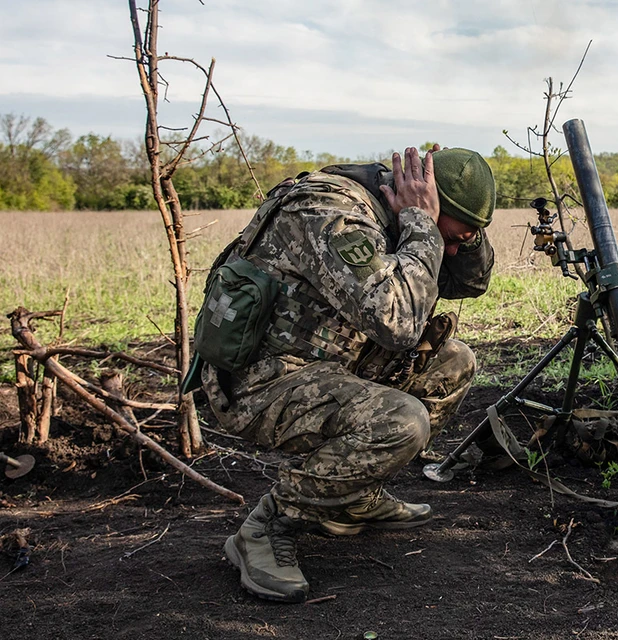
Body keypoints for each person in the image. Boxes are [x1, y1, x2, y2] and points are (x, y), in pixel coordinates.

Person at [202, 145, 496, 603]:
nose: (451, 249)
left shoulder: (401, 215)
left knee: (452, 362)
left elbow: (469, 284)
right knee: (401, 421)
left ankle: (352, 493)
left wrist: (460, 237)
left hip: (325, 363)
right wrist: (421, 224)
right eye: (450, 237)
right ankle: (266, 526)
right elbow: (397, 321)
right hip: (261, 380)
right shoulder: (331, 211)